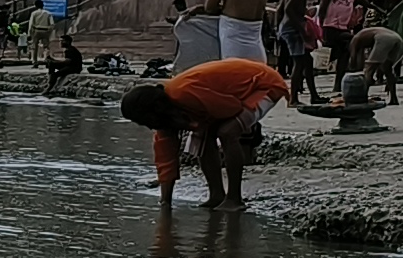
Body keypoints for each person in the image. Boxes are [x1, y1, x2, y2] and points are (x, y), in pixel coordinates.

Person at [122, 55, 290, 205]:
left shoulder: (182, 94)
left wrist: (194, 125)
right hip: (233, 94)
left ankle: (234, 199)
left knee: (227, 132)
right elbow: (166, 163)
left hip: (263, 84)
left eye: (144, 121)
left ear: (153, 112)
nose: (148, 126)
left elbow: (232, 107)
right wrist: (165, 203)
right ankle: (216, 195)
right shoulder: (165, 120)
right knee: (200, 138)